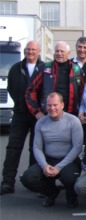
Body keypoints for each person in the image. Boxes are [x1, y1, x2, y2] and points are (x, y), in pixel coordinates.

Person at [20, 92, 83, 208]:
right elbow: (37, 147)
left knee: (69, 178)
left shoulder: (73, 121)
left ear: (62, 105)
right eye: (49, 105)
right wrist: (44, 165)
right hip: (49, 159)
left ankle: (71, 196)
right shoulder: (40, 123)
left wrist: (59, 167)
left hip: (68, 160)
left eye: (55, 105)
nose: (52, 108)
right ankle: (51, 192)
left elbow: (77, 147)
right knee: (27, 178)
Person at [0, 41, 44, 195]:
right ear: (24, 51)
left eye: (33, 49)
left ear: (39, 51)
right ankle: (7, 182)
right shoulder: (15, 68)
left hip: (38, 115)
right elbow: (11, 88)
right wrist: (20, 103)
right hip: (19, 114)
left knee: (35, 149)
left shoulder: (44, 68)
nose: (30, 52)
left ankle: (32, 181)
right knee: (13, 148)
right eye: (28, 49)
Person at [26, 41, 85, 118]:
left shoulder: (77, 70)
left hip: (71, 116)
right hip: (49, 115)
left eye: (62, 51)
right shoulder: (44, 68)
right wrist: (37, 112)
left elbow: (84, 93)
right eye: (57, 51)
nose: (59, 53)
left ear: (68, 53)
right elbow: (30, 91)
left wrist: (81, 112)